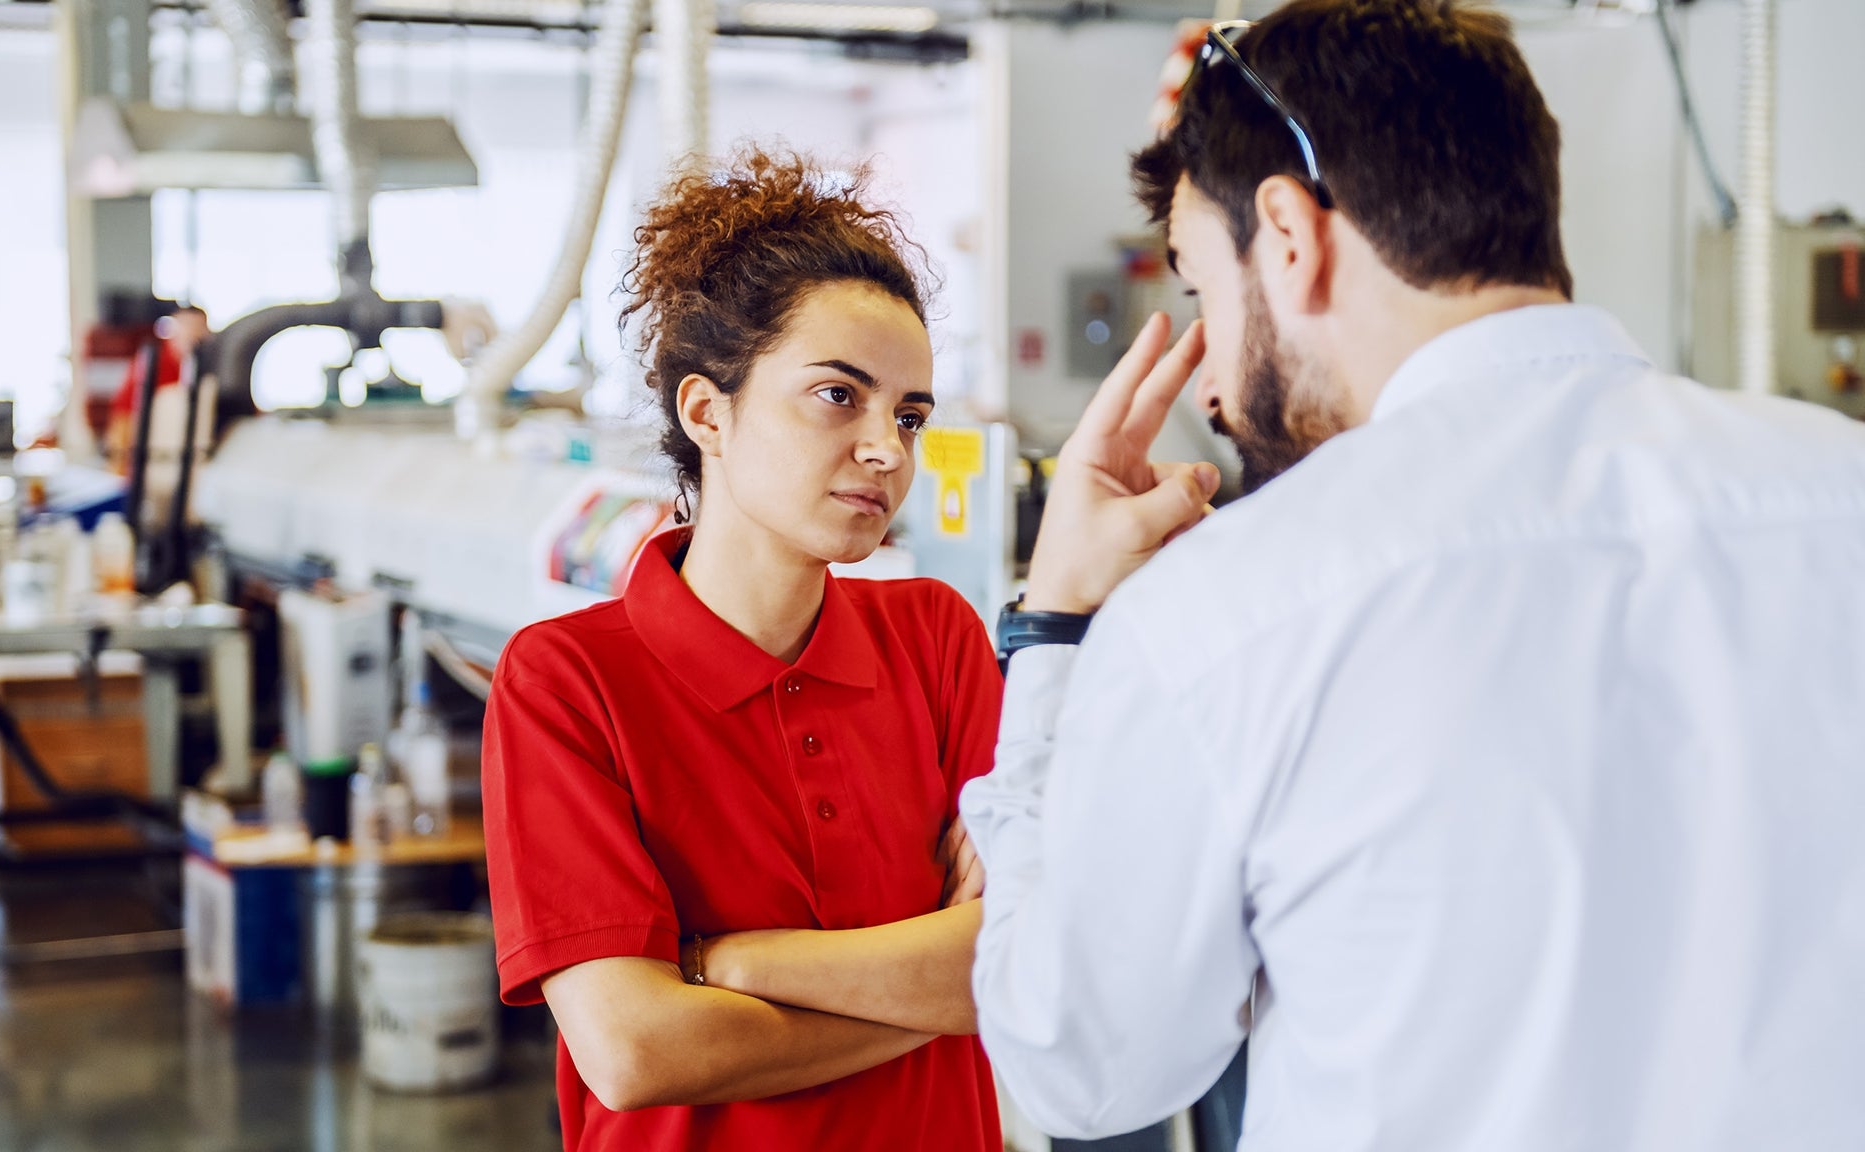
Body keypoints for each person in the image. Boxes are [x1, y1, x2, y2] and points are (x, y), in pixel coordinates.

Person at [961, 1, 1865, 1149]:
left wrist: (1052, 642)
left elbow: (1079, 1066)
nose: (1207, 391)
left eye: (1200, 290)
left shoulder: (1235, 611)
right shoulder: (1839, 497)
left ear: (1287, 236)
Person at [481, 149, 1042, 1151]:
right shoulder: (566, 684)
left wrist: (729, 964)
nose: (887, 449)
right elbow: (635, 1050)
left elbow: (1026, 966)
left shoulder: (937, 641)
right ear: (707, 412)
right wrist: (936, 987)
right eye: (839, 395)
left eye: (909, 415)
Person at [106, 304, 207, 469]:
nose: (193, 334)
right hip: (131, 419)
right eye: (188, 327)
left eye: (199, 328)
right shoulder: (155, 359)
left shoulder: (198, 360)